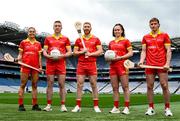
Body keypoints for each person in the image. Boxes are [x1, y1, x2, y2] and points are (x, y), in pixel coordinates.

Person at [139, 17, 173, 116]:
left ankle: (167, 108)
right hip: (149, 65)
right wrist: (141, 61)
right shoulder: (145, 37)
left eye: (155, 24)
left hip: (162, 65)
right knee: (149, 86)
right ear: (149, 25)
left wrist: (167, 63)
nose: (153, 25)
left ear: (158, 25)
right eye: (151, 24)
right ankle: (151, 108)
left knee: (164, 85)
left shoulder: (164, 35)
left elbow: (168, 50)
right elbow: (144, 51)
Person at [72, 22, 103, 112]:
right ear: (82, 28)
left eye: (88, 27)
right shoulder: (78, 40)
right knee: (79, 85)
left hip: (92, 64)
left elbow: (100, 51)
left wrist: (90, 53)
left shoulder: (96, 39)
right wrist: (82, 52)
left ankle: (96, 106)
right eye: (85, 27)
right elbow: (74, 53)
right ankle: (78, 106)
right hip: (81, 64)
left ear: (91, 28)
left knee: (94, 84)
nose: (86, 28)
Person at [43, 20, 72, 112]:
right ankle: (48, 105)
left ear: (61, 27)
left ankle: (63, 105)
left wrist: (62, 56)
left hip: (61, 63)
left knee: (61, 84)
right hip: (50, 63)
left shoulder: (65, 39)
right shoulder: (48, 38)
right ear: (53, 27)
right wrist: (47, 56)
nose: (57, 27)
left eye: (59, 25)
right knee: (50, 84)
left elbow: (69, 52)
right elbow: (44, 51)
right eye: (55, 25)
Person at [106, 23, 133, 114]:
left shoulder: (126, 41)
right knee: (115, 88)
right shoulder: (111, 43)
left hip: (123, 66)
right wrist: (108, 59)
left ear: (122, 31)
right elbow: (109, 55)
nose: (117, 31)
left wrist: (120, 58)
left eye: (118, 29)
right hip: (113, 67)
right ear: (113, 31)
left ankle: (126, 108)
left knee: (125, 87)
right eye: (115, 30)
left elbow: (130, 53)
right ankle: (116, 107)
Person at [17, 27, 42, 111]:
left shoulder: (38, 44)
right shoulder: (23, 42)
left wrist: (40, 67)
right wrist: (18, 58)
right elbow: (20, 54)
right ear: (28, 33)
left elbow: (39, 57)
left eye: (33, 32)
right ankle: (21, 105)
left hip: (35, 67)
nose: (31, 33)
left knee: (34, 85)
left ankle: (34, 105)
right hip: (25, 66)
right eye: (30, 31)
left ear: (35, 33)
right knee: (23, 85)